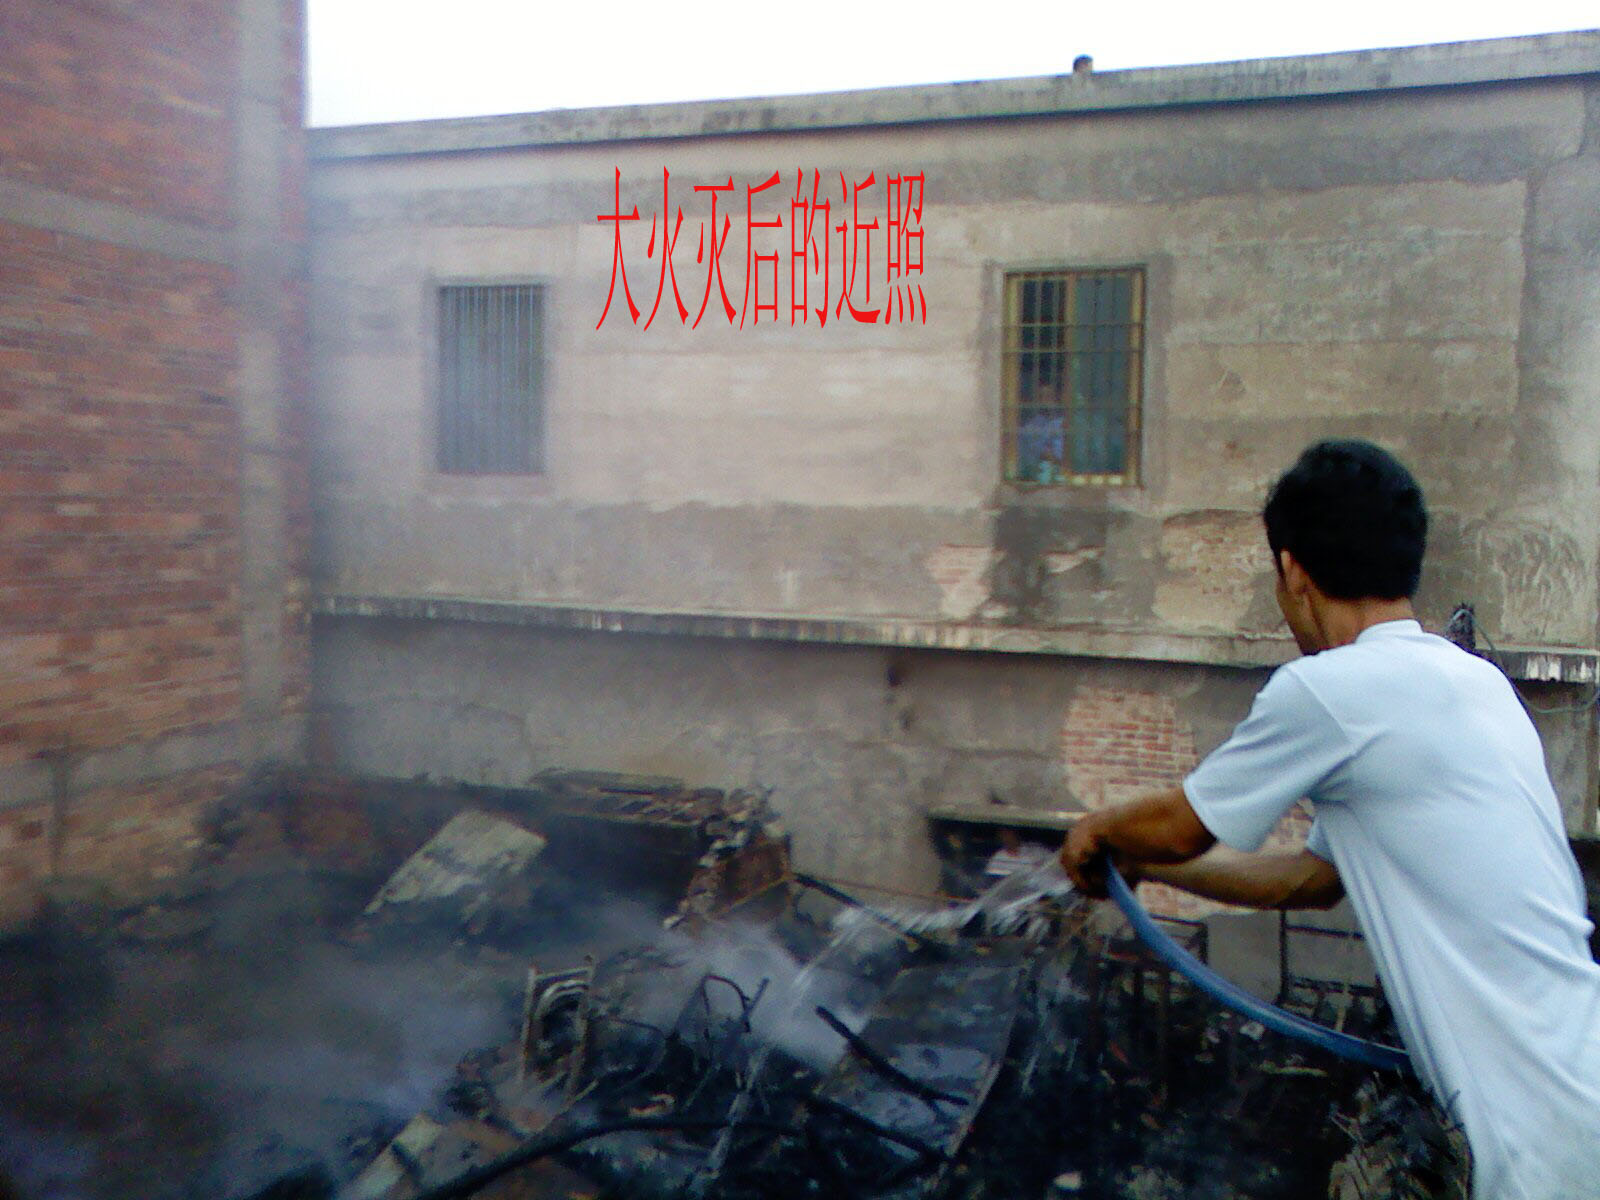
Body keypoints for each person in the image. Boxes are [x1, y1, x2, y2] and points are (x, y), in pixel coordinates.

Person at [1059, 439, 1600, 1200]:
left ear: (1292, 572)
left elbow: (1184, 825)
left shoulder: (1328, 690)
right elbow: (1309, 882)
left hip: (1530, 1140)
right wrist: (1142, 866)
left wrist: (1099, 831)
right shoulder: (1477, 684)